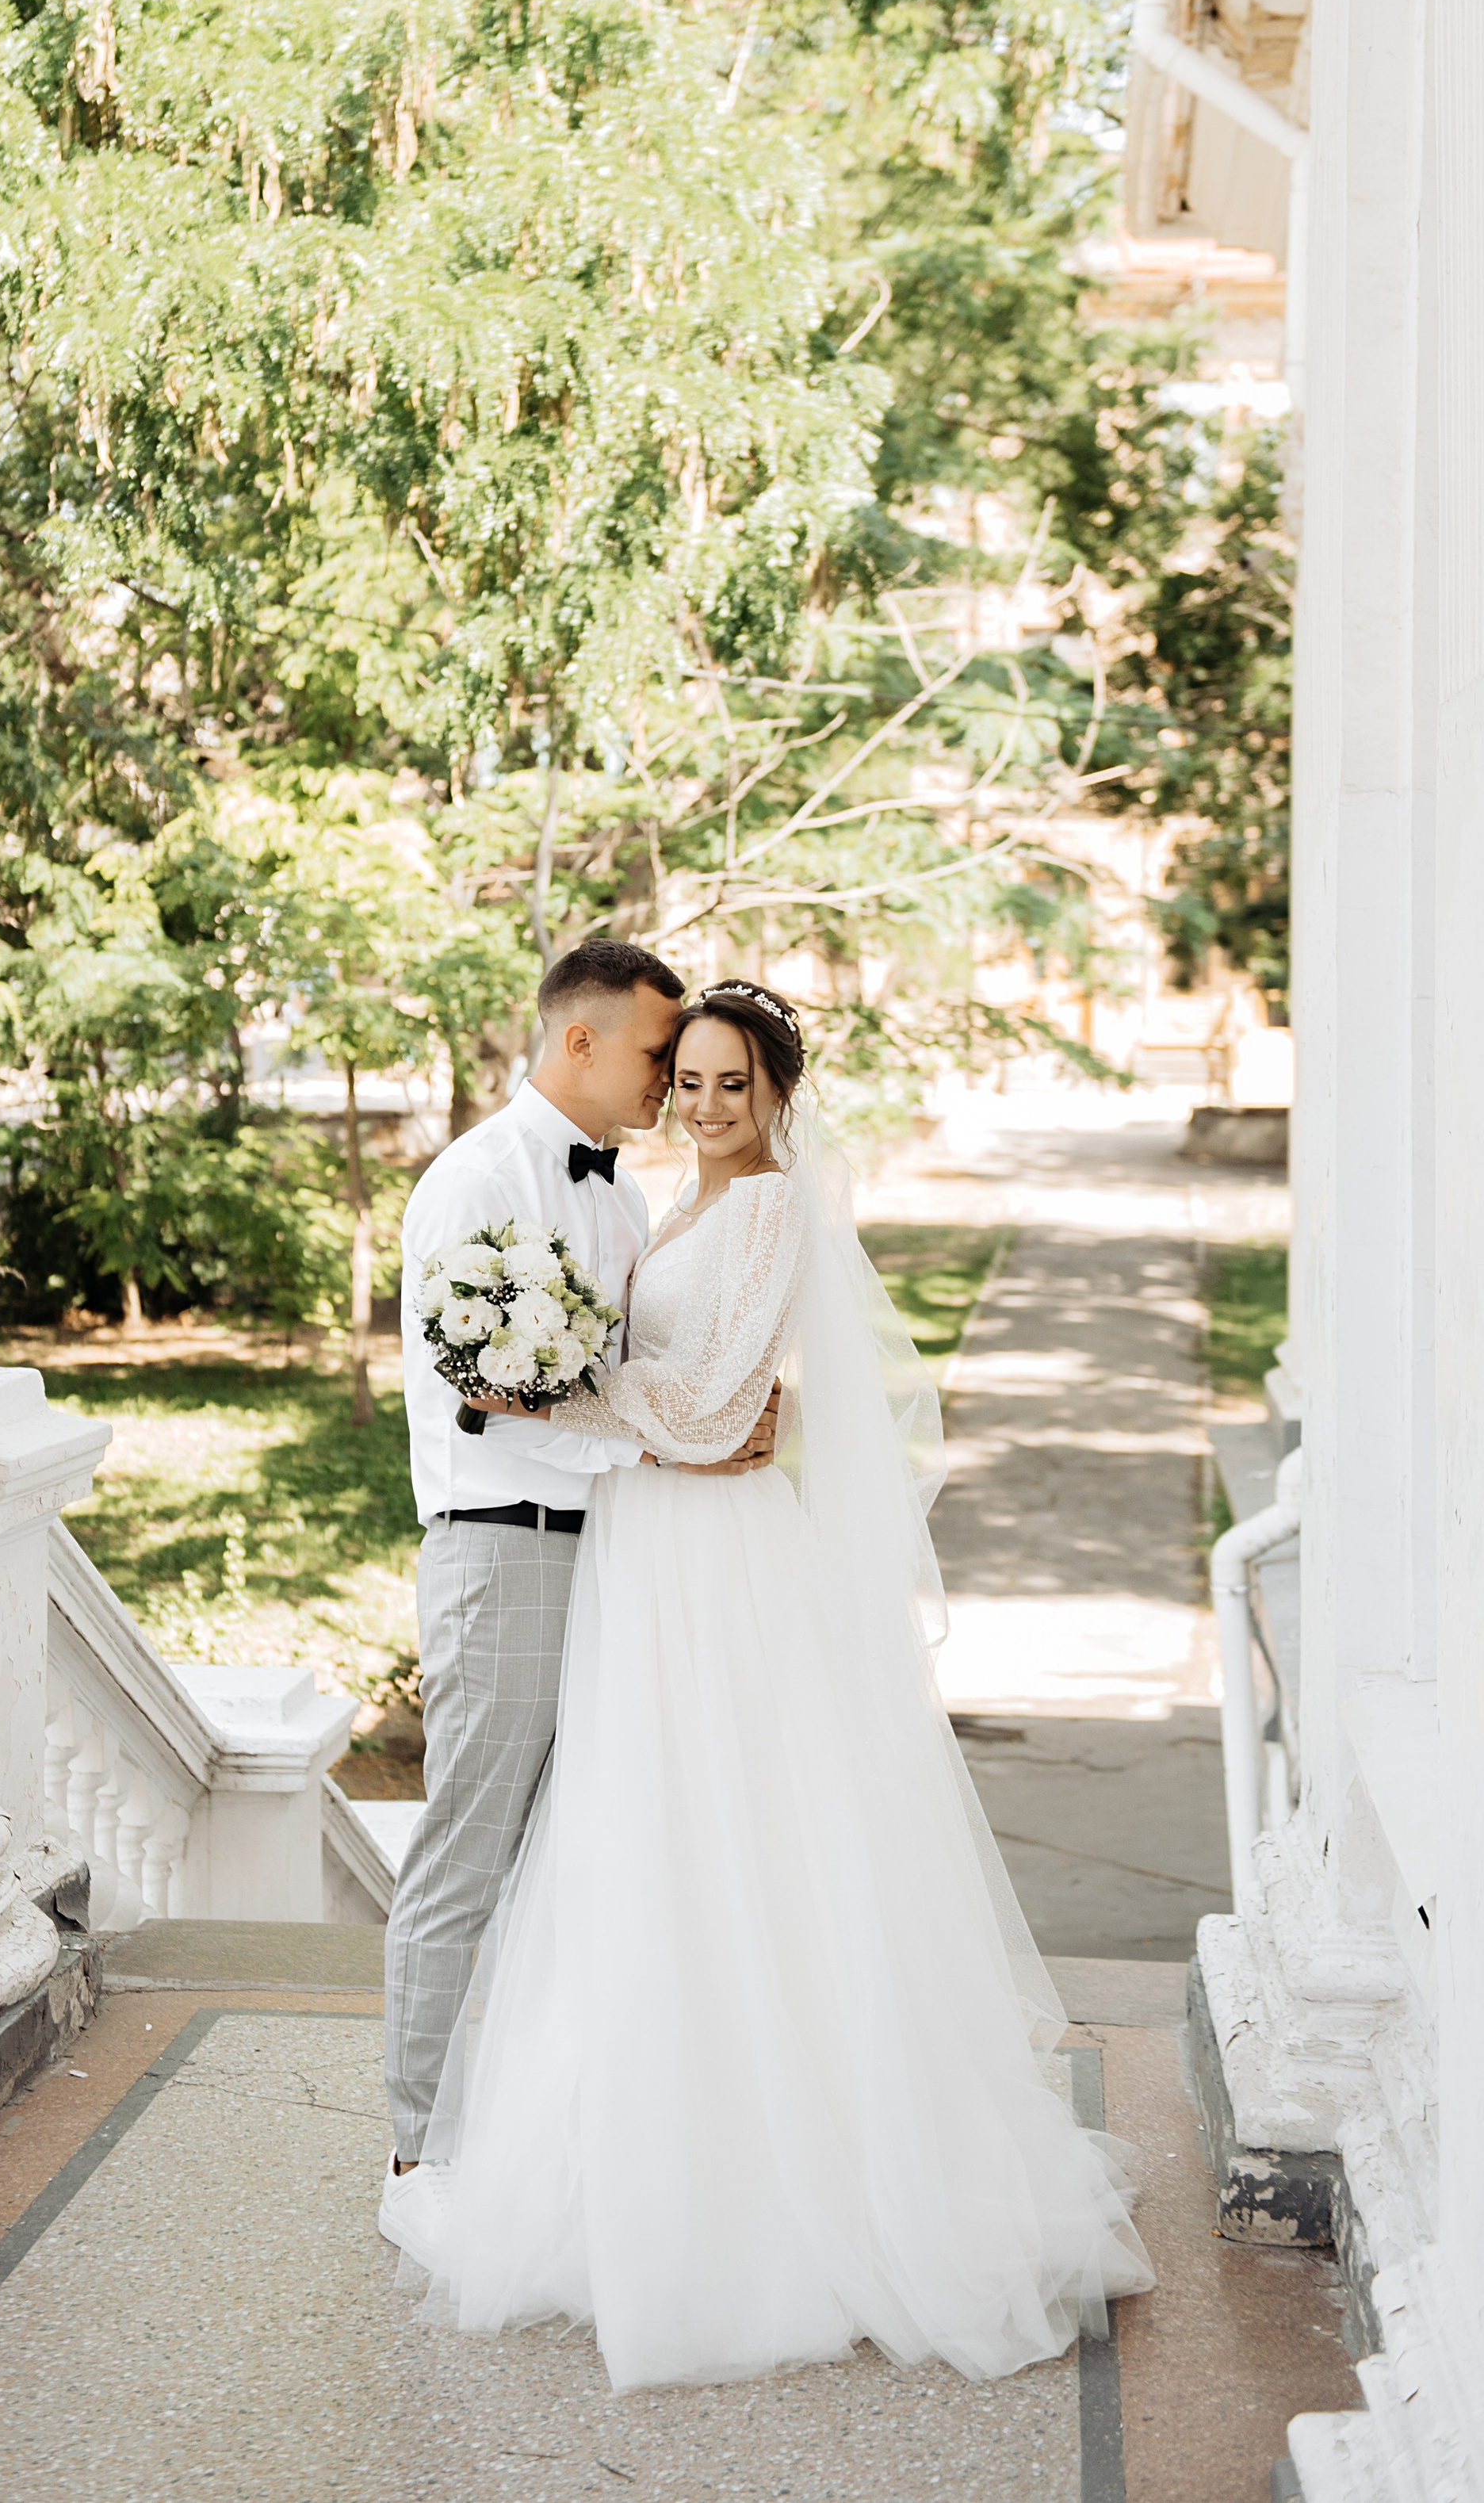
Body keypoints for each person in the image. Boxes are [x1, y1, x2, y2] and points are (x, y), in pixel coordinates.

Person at [388, 980, 1156, 2392]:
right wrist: (588, 1397)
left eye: (731, 1083)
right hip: (645, 1543)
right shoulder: (656, 1201)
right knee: (639, 1848)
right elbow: (698, 1397)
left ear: (779, 1097)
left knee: (735, 1839)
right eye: (685, 1076)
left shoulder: (768, 1206)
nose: (700, 1102)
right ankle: (613, 2147)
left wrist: (550, 1393)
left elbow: (703, 1400)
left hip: (707, 1562)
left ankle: (781, 2181)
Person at [381, 939, 778, 2222]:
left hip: (614, 1550)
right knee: (470, 1850)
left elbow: (620, 1370)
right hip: (505, 1542)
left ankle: (555, 2134)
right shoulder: (475, 1184)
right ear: (584, 1041)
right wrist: (677, 1437)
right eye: (661, 1056)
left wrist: (695, 1429)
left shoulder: (621, 1200)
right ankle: (418, 2151)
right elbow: (490, 1404)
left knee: (587, 1855)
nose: (672, 1082)